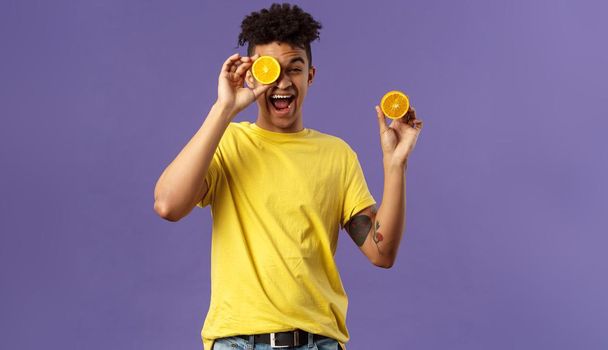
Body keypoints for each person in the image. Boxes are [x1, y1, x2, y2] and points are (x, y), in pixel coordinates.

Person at [153, 3, 423, 349]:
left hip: (318, 342)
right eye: (270, 71)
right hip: (237, 342)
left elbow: (381, 252)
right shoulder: (227, 143)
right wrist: (224, 109)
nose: (282, 82)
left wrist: (395, 164)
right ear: (252, 76)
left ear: (310, 75)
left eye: (294, 69)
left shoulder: (336, 155)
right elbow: (167, 205)